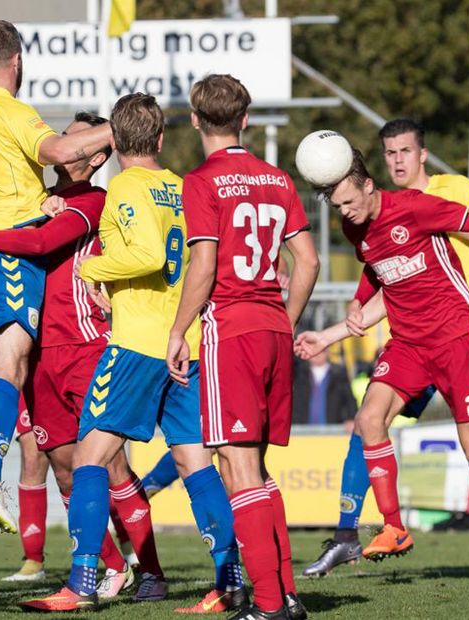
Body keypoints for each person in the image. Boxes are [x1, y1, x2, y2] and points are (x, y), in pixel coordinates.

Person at [19, 93, 243, 614]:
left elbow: (141, 253)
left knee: (90, 460)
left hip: (136, 346)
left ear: (114, 142)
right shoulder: (179, 186)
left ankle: (81, 583)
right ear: (161, 140)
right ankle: (228, 579)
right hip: (182, 343)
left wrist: (91, 270)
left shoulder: (125, 185)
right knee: (194, 463)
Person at [297, 119, 469, 581]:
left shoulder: (449, 190)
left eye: (405, 151)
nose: (398, 159)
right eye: (389, 152)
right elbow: (378, 266)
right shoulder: (361, 217)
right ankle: (349, 534)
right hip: (409, 338)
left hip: (461, 332)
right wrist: (354, 311)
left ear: (422, 154)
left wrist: (452, 233)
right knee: (367, 423)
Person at [0, 113, 156, 596]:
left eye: (77, 141)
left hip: (87, 347)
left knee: (110, 465)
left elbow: (42, 241)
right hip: (39, 352)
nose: (65, 147)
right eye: (64, 137)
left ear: (99, 155)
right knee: (62, 466)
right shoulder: (34, 198)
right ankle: (112, 566)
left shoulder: (93, 200)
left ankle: (151, 569)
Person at [0, 19, 115, 534]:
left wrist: (43, 199)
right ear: (16, 60)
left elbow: (9, 177)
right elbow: (61, 151)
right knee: (9, 369)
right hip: (7, 252)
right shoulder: (14, 111)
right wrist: (121, 123)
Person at [166, 74, 318, 620]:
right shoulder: (277, 179)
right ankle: (287, 596)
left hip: (230, 330)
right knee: (252, 468)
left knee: (237, 467)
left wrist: (178, 330)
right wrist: (284, 317)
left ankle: (272, 605)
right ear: (246, 120)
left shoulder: (202, 181)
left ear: (195, 120)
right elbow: (310, 261)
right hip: (274, 329)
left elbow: (204, 265)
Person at [292, 347, 357, 428]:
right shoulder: (299, 371)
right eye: (313, 351)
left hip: (331, 429)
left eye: (321, 351)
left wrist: (351, 418)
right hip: (301, 429)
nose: (317, 354)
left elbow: (349, 399)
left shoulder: (339, 373)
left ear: (328, 352)